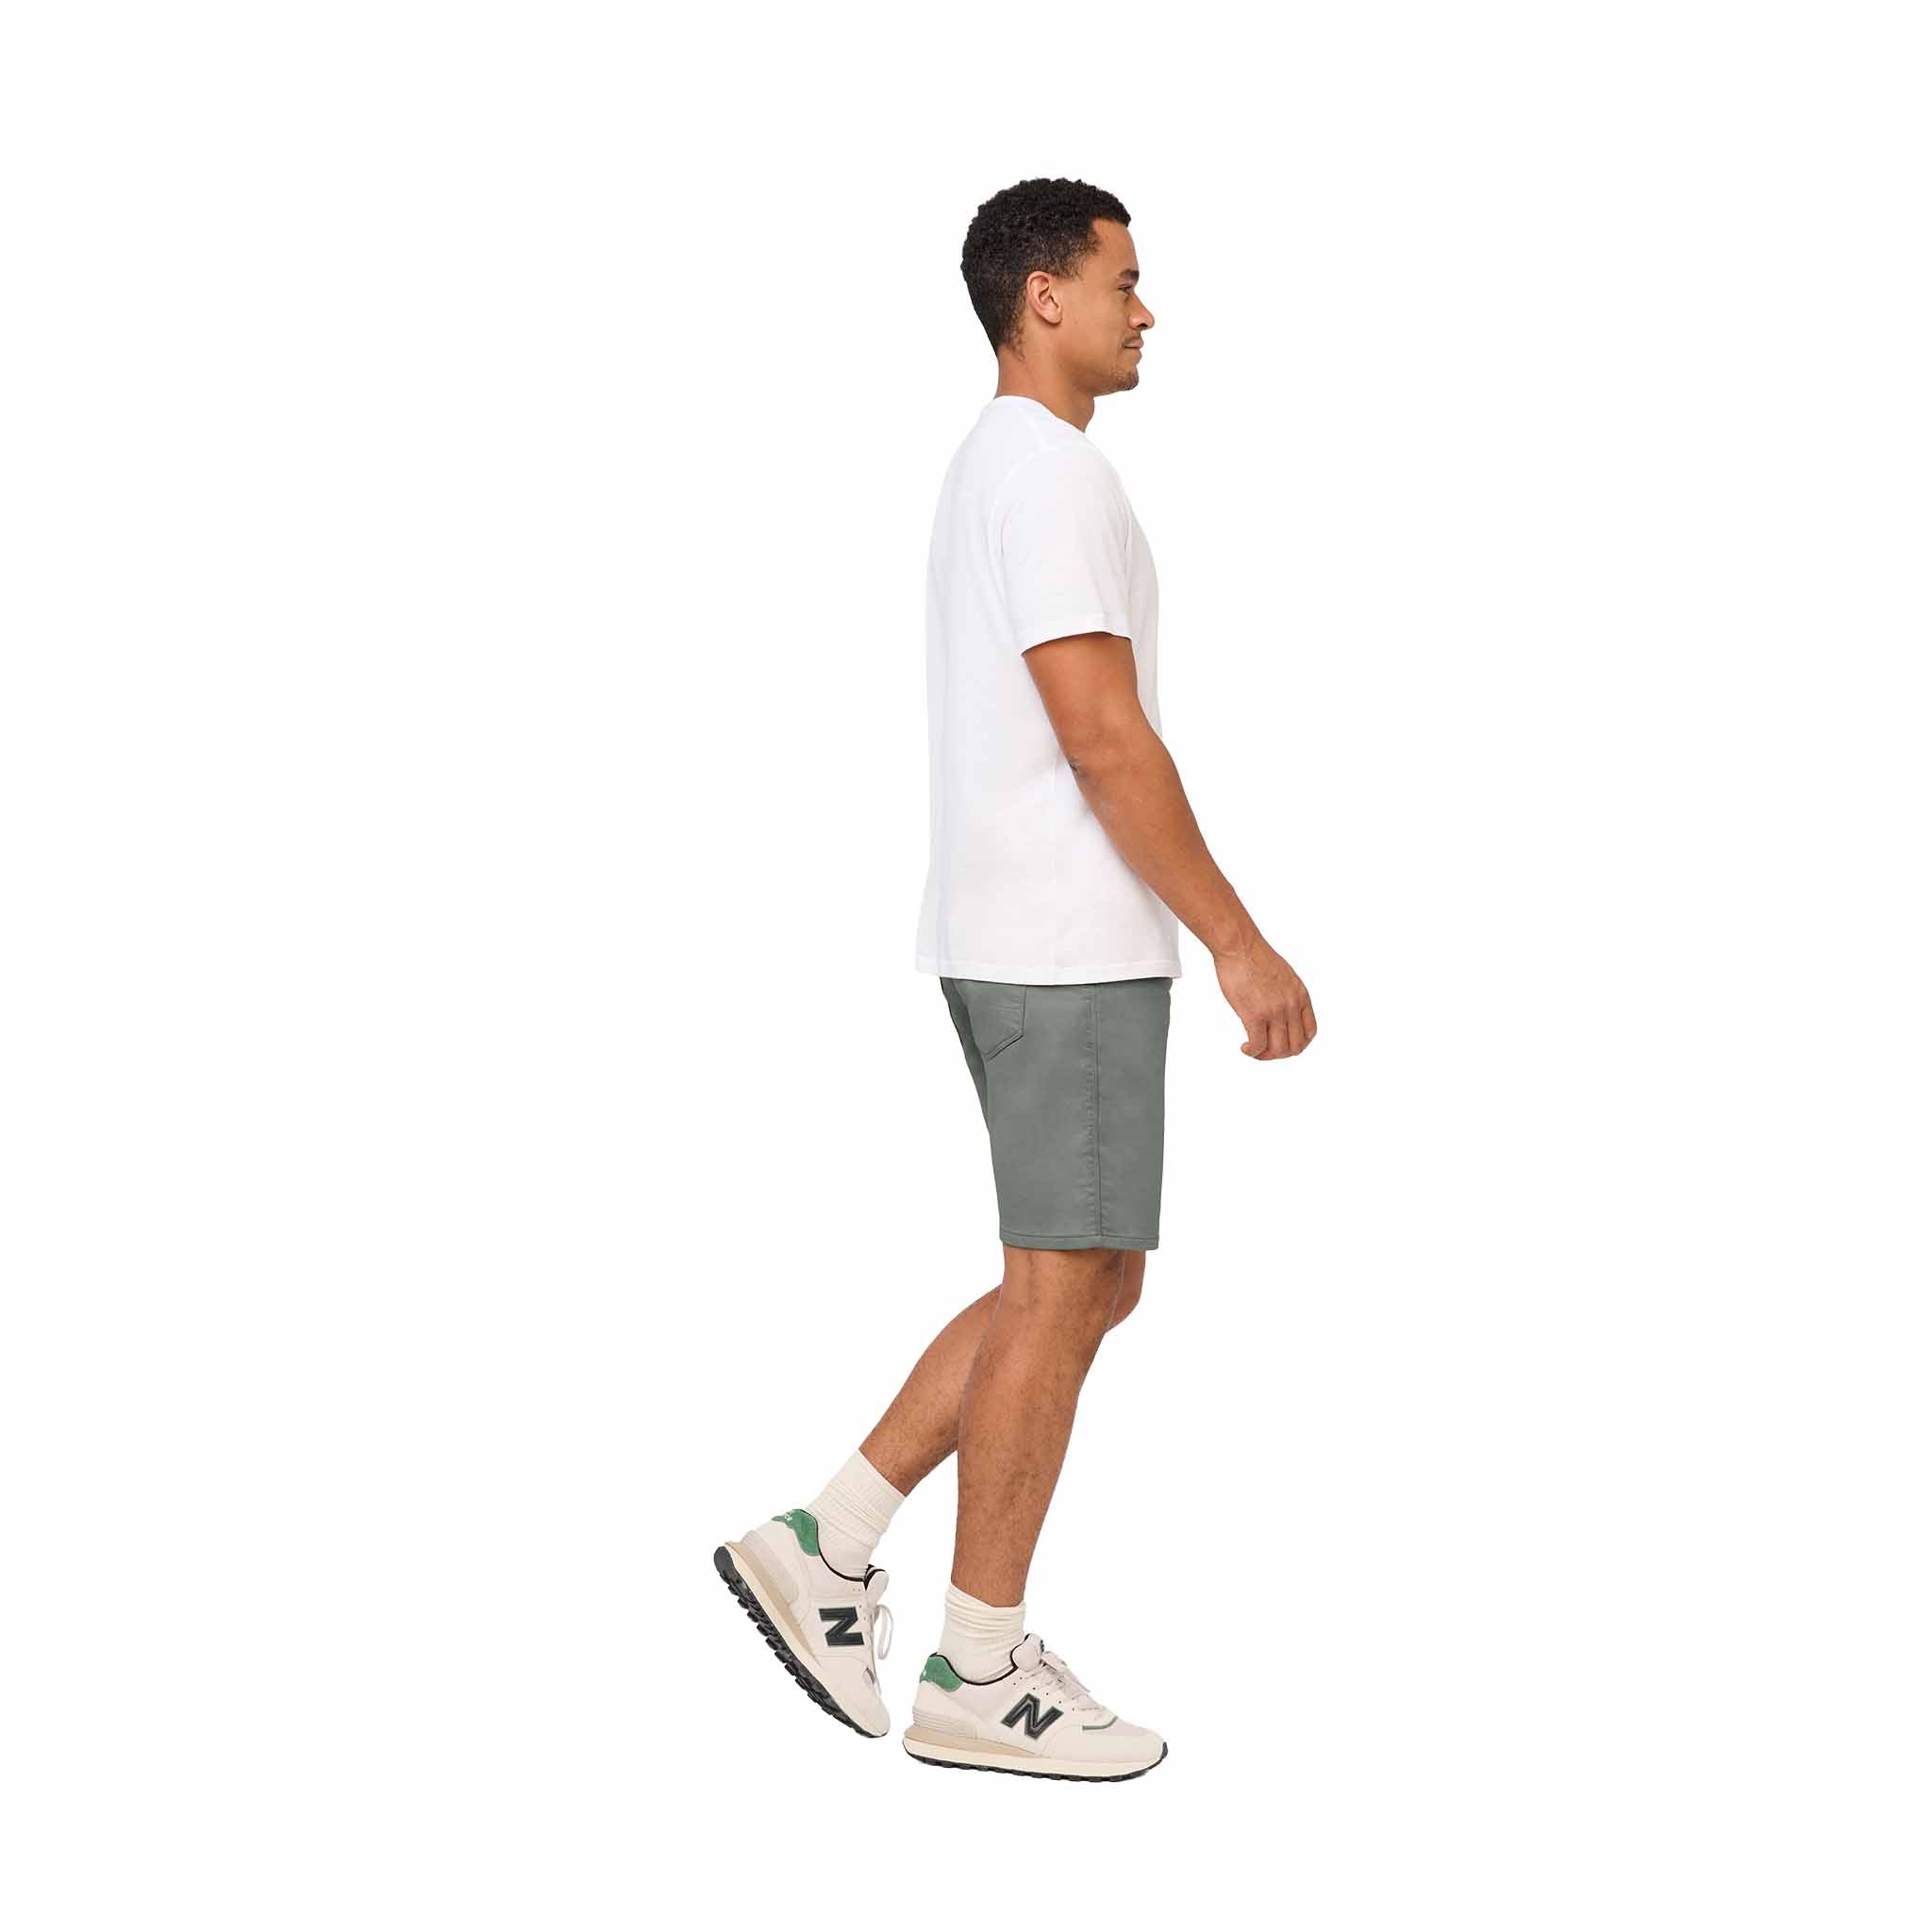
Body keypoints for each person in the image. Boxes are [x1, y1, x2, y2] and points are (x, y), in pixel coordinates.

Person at [714, 176, 1316, 1782]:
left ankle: (827, 1541)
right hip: (1065, 947)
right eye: (1124, 279)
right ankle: (978, 1664)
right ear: (1043, 296)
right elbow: (1102, 736)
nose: (1145, 309)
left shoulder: (1009, 466)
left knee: (1091, 1280)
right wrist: (1236, 936)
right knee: (1065, 1288)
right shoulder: (1046, 475)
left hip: (1031, 939)